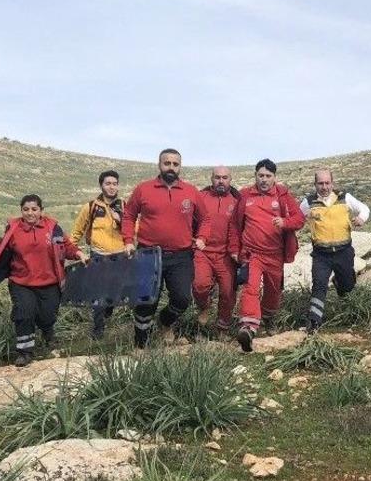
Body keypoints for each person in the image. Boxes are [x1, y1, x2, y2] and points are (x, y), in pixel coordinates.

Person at [0, 194, 88, 367]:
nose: (30, 213)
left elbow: (66, 246)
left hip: (50, 282)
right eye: (26, 209)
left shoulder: (52, 227)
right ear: (21, 211)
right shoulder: (13, 230)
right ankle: (25, 352)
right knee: (24, 314)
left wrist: (79, 254)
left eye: (34, 209)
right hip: (21, 282)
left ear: (41, 210)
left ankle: (48, 332)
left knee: (47, 316)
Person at [121, 148, 210, 347]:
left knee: (182, 299)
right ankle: (141, 344)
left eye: (175, 164)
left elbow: (205, 219)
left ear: (180, 167)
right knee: (146, 300)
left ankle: (164, 322)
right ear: (159, 164)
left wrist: (203, 237)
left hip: (181, 256)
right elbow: (128, 216)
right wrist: (128, 240)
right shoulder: (143, 189)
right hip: (148, 254)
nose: (171, 167)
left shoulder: (191, 191)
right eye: (167, 163)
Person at [229, 159, 305, 352]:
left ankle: (269, 318)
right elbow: (235, 225)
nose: (264, 179)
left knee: (273, 291)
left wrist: (285, 222)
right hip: (251, 253)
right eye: (260, 175)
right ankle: (248, 327)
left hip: (275, 254)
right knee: (250, 288)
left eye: (268, 176)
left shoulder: (282, 195)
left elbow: (299, 219)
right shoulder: (245, 195)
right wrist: (235, 249)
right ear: (255, 176)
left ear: (274, 177)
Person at [299, 169, 369, 332]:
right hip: (321, 254)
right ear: (315, 184)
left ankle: (349, 313)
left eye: (327, 183)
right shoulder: (308, 202)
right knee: (319, 285)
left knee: (347, 286)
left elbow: (364, 209)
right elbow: (296, 219)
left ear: (332, 183)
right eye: (320, 183)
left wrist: (361, 218)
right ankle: (314, 322)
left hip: (343, 251)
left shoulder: (345, 197)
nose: (324, 187)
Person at [69, 169, 126, 339]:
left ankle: (108, 309)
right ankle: (98, 328)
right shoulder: (91, 207)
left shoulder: (125, 206)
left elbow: (136, 229)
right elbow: (77, 231)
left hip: (120, 256)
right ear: (101, 185)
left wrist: (121, 220)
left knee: (115, 290)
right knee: (99, 291)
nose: (112, 187)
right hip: (98, 255)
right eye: (108, 183)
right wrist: (71, 250)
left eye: (114, 184)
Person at [193, 166, 240, 334]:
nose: (221, 181)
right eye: (217, 177)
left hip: (226, 254)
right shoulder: (201, 197)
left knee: (228, 292)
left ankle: (222, 328)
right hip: (203, 251)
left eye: (225, 178)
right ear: (211, 179)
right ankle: (204, 306)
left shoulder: (237, 201)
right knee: (200, 285)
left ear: (230, 179)